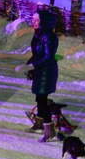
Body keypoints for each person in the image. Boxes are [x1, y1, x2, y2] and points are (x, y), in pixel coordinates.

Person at [16, 10, 59, 142]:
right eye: (34, 20)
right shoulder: (39, 35)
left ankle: (50, 131)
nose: (34, 23)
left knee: (42, 100)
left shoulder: (49, 37)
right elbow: (37, 54)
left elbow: (48, 58)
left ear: (44, 23)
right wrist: (29, 65)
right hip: (40, 71)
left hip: (47, 72)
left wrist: (31, 66)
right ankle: (39, 125)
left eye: (37, 21)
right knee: (39, 98)